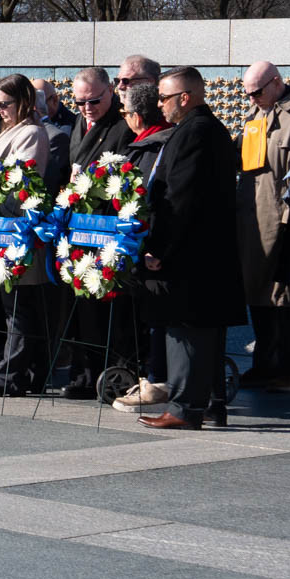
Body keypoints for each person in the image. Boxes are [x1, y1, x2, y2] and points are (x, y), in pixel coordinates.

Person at [137, 67, 245, 431]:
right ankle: (211, 403)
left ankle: (185, 408)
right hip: (205, 254)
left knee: (187, 331)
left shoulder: (196, 132)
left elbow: (180, 198)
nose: (159, 105)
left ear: (185, 97)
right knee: (205, 333)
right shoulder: (201, 129)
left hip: (191, 256)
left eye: (164, 98)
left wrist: (159, 249)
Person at [236, 60, 290, 392]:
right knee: (257, 294)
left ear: (275, 82)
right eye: (248, 94)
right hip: (252, 220)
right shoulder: (255, 117)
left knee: (284, 298)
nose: (252, 98)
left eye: (257, 91)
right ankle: (263, 365)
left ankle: (287, 370)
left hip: (282, 219)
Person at [0, 75, 58, 397]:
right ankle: (26, 373)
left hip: (16, 230)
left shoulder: (31, 132)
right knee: (14, 306)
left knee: (19, 307)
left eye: (4, 104)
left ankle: (10, 375)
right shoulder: (6, 131)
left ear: (23, 100)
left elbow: (20, 181)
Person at [62, 67, 136, 399]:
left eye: (94, 100)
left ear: (110, 93)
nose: (87, 108)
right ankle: (85, 374)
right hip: (78, 230)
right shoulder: (80, 123)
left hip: (105, 228)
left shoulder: (122, 127)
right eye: (79, 102)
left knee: (110, 311)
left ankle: (115, 376)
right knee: (82, 309)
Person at [111, 83, 177, 415]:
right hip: (141, 245)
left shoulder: (162, 145)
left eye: (124, 112)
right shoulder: (144, 144)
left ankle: (158, 379)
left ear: (136, 116)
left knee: (156, 316)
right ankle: (145, 373)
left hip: (156, 248)